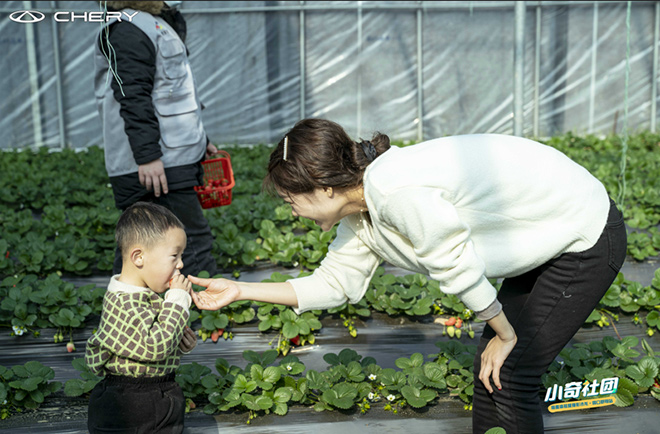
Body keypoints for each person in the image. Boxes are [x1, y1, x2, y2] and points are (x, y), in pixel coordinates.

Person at [187, 118, 627, 434]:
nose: (292, 212)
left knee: (511, 371)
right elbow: (334, 284)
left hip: (583, 234)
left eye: (291, 201)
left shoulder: (394, 191)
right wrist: (240, 289)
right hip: (543, 234)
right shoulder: (360, 215)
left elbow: (453, 262)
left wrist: (506, 333)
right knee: (492, 368)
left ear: (322, 188)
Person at [94, 1, 217, 277]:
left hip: (170, 156)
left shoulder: (153, 23)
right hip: (157, 164)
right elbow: (132, 96)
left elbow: (173, 92)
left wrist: (201, 139)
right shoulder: (128, 29)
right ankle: (207, 312)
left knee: (139, 241)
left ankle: (122, 312)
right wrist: (148, 156)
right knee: (191, 241)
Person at [85, 201, 197, 433]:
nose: (181, 264)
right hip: (131, 406)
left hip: (153, 396)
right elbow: (154, 347)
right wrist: (177, 299)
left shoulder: (142, 296)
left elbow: (151, 345)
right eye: (174, 256)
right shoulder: (124, 303)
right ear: (138, 257)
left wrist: (179, 342)